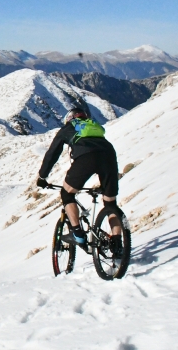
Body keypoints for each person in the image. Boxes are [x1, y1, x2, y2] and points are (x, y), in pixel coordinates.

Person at [36, 107, 123, 252]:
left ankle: (78, 234)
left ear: (69, 119)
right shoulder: (93, 126)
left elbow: (52, 155)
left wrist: (42, 176)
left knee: (67, 194)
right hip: (109, 155)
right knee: (110, 203)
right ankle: (117, 244)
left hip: (86, 157)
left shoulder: (68, 128)